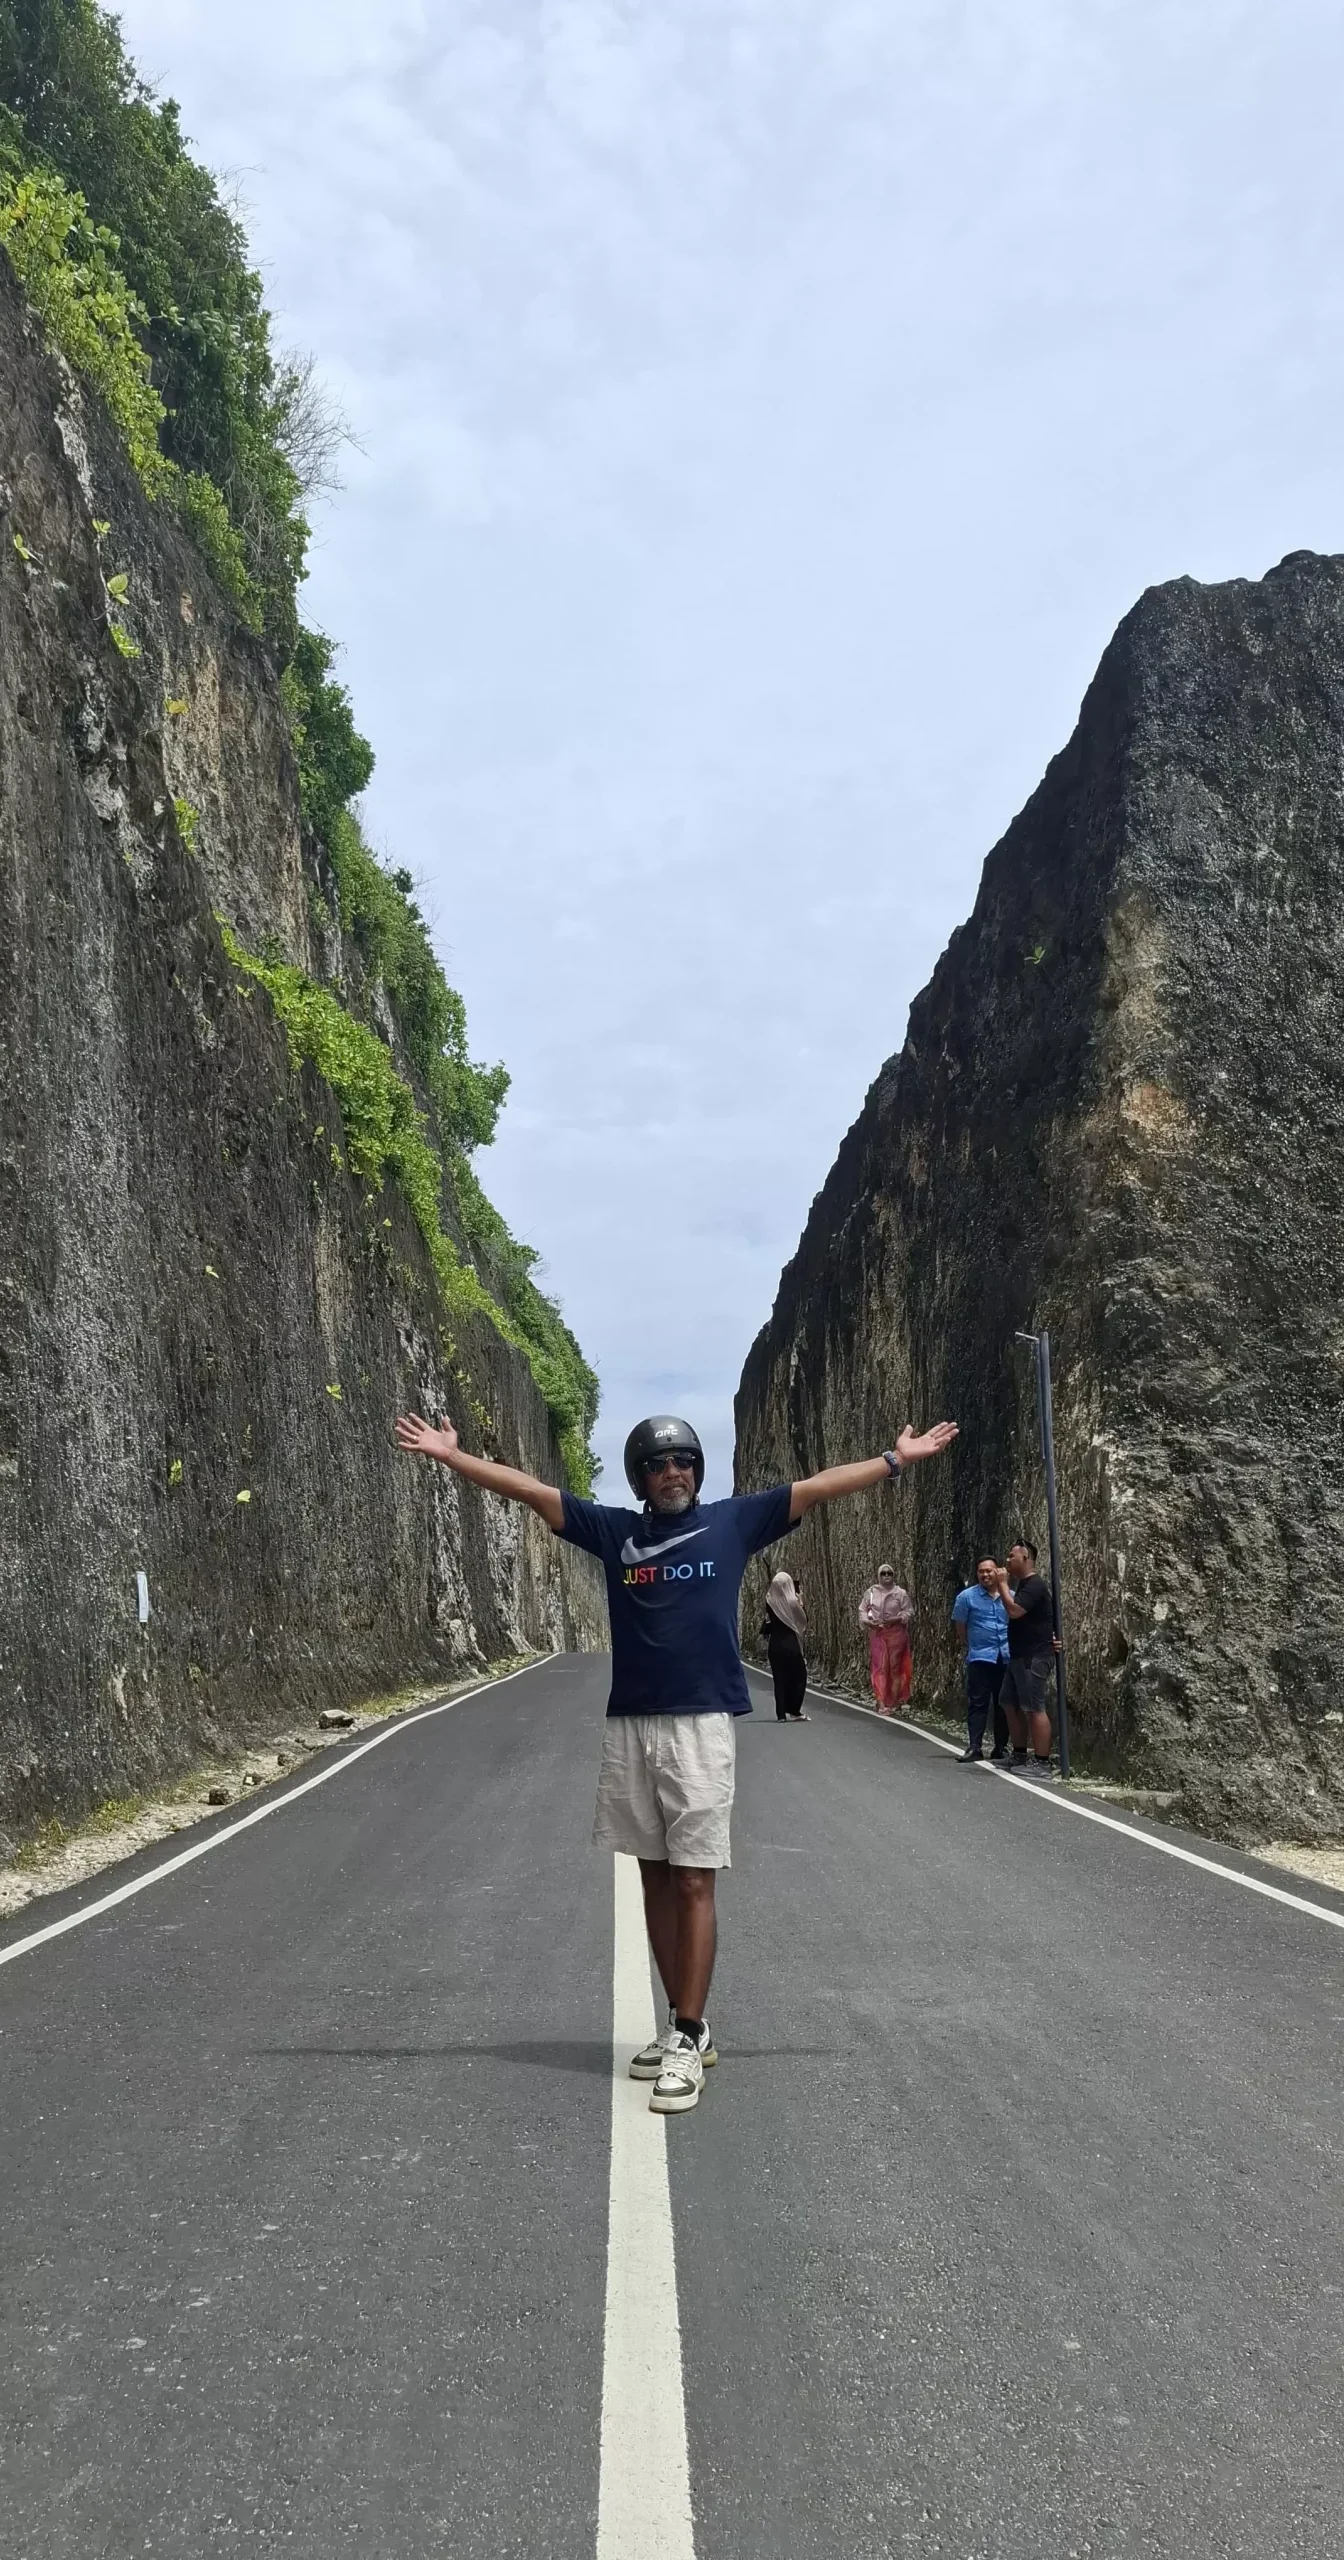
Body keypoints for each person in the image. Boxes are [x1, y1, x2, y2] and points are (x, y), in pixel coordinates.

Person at [395, 1407, 958, 2113]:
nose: (673, 1473)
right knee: (654, 1878)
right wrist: (452, 1457)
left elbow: (817, 1487)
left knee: (694, 1879)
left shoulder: (734, 1523)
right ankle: (680, 2024)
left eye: (684, 1461)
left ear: (698, 1470)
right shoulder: (615, 1533)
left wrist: (895, 1459)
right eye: (658, 1465)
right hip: (631, 1724)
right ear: (640, 1478)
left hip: (700, 1725)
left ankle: (689, 2034)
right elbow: (532, 1491)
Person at [992, 1539, 1057, 1776]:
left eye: (1012, 1556)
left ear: (1026, 1558)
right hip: (1018, 1655)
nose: (1007, 1560)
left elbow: (1015, 1611)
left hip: (1034, 1656)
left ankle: (1042, 1763)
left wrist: (1002, 1584)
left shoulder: (1034, 1585)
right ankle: (1019, 1753)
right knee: (1008, 1702)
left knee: (1034, 1707)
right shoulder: (1024, 1585)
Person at [951, 1559, 1010, 1762]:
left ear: (997, 1572)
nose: (985, 1575)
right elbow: (960, 1626)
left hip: (1005, 1656)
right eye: (981, 1571)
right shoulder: (966, 1597)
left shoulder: (1009, 1596)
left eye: (989, 1571)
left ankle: (1001, 1747)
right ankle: (975, 1747)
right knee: (977, 1703)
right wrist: (971, 1644)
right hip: (980, 1656)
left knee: (1004, 1704)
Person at [858, 1564, 914, 1715]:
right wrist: (868, 1622)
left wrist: (897, 1619)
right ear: (879, 1576)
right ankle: (881, 1701)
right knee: (880, 1667)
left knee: (895, 1668)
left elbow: (909, 1611)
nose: (886, 1576)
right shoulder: (871, 1592)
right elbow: (862, 1610)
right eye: (883, 1573)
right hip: (878, 1633)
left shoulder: (900, 1593)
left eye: (889, 1573)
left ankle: (893, 1702)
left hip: (896, 1635)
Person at [761, 1569, 810, 1721]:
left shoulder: (769, 1601)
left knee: (779, 1679)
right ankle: (794, 1710)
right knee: (799, 1676)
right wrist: (801, 1603)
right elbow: (804, 1620)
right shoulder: (792, 1602)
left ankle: (781, 1714)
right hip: (790, 1644)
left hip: (775, 1644)